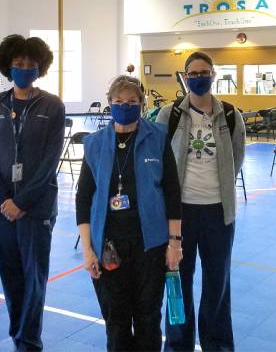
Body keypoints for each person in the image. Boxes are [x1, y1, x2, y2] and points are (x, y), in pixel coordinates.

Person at [76, 75, 182, 351]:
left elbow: (172, 191)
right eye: (118, 101)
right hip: (109, 248)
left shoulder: (157, 137)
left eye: (132, 101)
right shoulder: (95, 144)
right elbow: (83, 199)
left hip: (151, 246)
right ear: (109, 104)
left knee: (148, 319)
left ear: (142, 104)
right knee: (116, 321)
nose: (125, 106)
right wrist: (88, 250)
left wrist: (174, 243)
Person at [0, 34, 66, 351]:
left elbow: (50, 160)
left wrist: (22, 201)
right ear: (8, 67)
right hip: (1, 208)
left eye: (31, 65)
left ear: (40, 68)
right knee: (11, 276)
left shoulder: (52, 106)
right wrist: (5, 199)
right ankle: (19, 333)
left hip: (37, 207)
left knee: (34, 278)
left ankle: (29, 341)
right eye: (18, 65)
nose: (25, 70)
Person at [158, 51, 246, 352]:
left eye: (203, 72)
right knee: (176, 285)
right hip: (178, 215)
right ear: (185, 77)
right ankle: (177, 344)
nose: (198, 78)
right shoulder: (168, 115)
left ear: (213, 74)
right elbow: (159, 161)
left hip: (218, 215)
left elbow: (237, 159)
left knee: (217, 284)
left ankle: (217, 344)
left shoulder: (231, 115)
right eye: (192, 73)